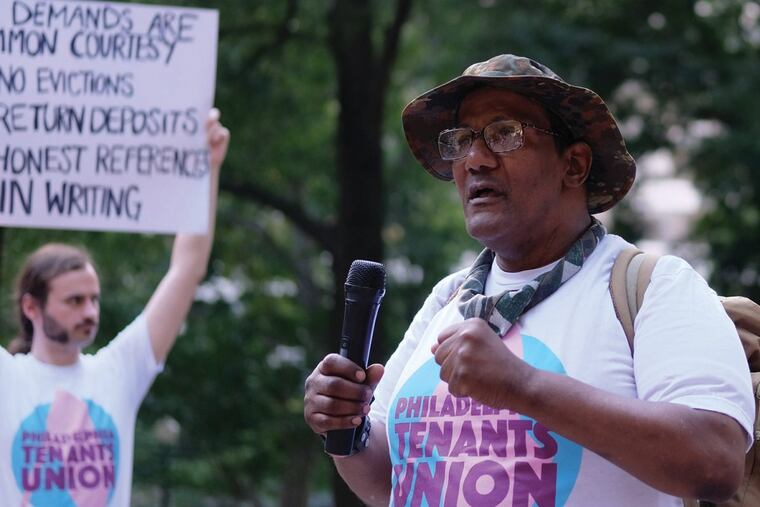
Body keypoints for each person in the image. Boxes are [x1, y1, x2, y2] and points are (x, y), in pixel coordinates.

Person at [303, 54, 755, 506]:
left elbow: (715, 459)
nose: (475, 160)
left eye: (504, 135)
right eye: (461, 140)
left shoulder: (653, 286)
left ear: (573, 166)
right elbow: (391, 482)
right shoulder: (449, 298)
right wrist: (348, 426)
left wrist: (523, 386)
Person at [0, 109, 229, 506]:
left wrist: (206, 169)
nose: (90, 311)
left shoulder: (117, 371)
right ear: (31, 307)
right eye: (74, 300)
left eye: (94, 299)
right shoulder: (7, 379)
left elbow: (188, 267)